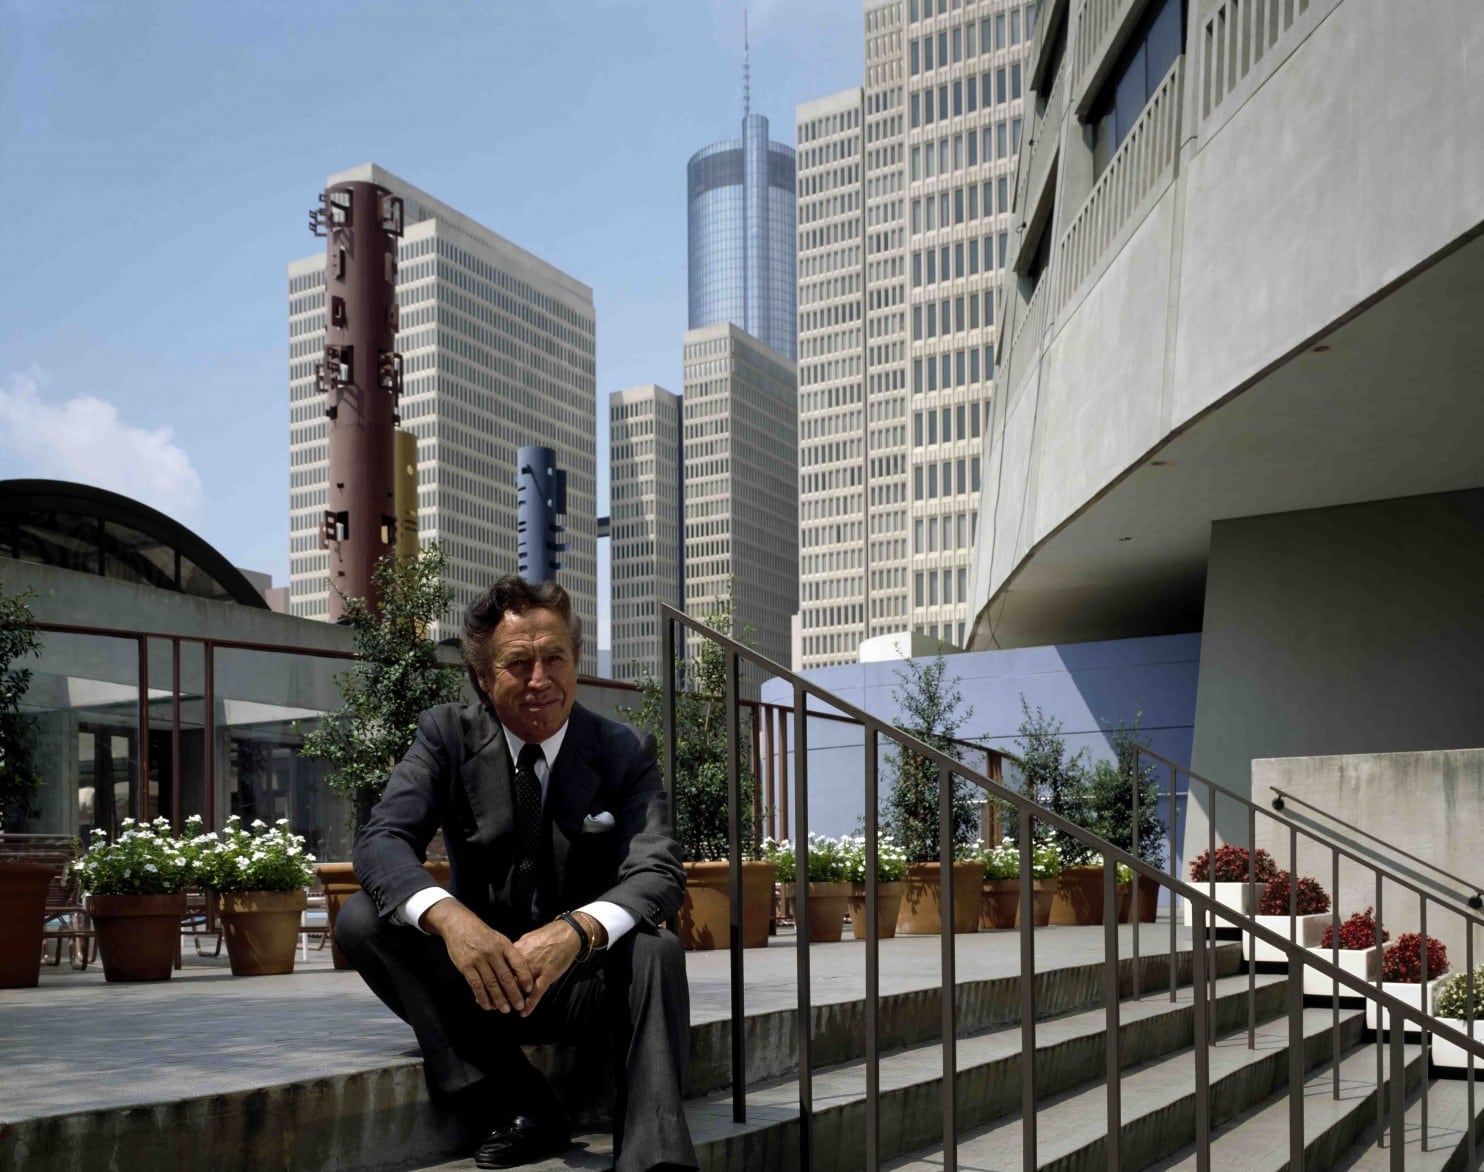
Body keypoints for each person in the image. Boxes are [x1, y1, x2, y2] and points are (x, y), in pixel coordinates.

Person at [336, 576, 696, 1172]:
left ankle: (655, 1160)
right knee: (361, 918)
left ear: (576, 662)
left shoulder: (623, 749)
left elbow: (657, 870)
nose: (540, 680)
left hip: (583, 979)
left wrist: (576, 931)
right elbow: (381, 841)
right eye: (518, 664)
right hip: (480, 979)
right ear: (483, 676)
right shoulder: (445, 734)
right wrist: (452, 921)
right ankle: (517, 1103)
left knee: (657, 950)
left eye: (555, 658)